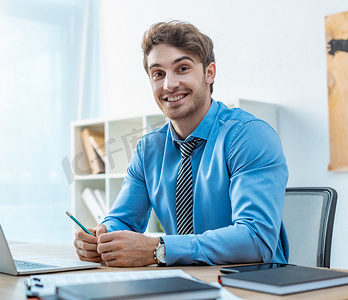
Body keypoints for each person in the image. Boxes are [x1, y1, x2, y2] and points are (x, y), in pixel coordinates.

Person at [73, 20, 289, 267]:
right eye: (158, 74)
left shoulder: (248, 136)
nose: (169, 84)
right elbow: (122, 221)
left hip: (251, 284)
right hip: (182, 281)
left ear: (209, 73)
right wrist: (101, 237)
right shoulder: (148, 150)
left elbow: (256, 239)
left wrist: (159, 250)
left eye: (183, 68)